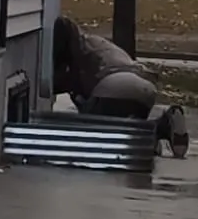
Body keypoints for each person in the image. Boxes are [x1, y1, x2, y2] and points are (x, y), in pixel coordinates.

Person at [51, 15, 189, 155]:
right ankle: (156, 131)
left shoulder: (76, 56)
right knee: (121, 124)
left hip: (113, 84)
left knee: (91, 130)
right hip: (143, 86)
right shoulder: (96, 44)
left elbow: (61, 85)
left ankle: (146, 137)